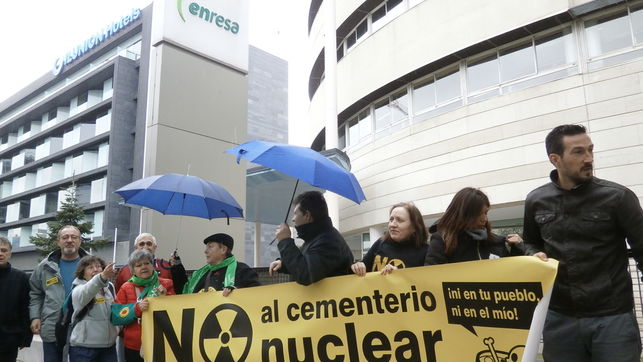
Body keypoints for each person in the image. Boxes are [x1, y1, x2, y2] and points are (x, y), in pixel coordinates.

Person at [523, 124, 643, 362]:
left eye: (590, 150)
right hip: (560, 319)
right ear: (555, 159)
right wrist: (534, 254)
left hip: (613, 319)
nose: (588, 158)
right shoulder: (536, 200)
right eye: (578, 152)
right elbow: (531, 242)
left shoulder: (618, 197)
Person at [29, 225, 89, 362]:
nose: (69, 240)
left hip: (84, 327)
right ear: (58, 241)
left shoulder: (92, 265)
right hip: (52, 326)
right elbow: (36, 293)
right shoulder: (45, 267)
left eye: (74, 237)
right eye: (65, 237)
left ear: (80, 241)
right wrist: (35, 317)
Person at [269, 191, 354, 285]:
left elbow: (306, 274)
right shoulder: (315, 237)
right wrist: (284, 264)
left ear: (307, 215)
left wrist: (285, 241)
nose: (293, 219)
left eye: (295, 214)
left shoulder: (327, 241)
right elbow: (307, 263)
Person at [425, 187, 524, 265]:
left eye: (485, 213)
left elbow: (511, 272)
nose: (484, 219)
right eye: (478, 214)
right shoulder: (442, 240)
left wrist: (518, 249)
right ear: (463, 214)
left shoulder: (495, 241)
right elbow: (434, 277)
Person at [115, 249, 175, 362]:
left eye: (147, 263)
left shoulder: (166, 284)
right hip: (134, 345)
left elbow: (176, 312)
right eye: (138, 265)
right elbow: (116, 315)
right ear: (132, 270)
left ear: (153, 265)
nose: (144, 267)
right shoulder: (126, 287)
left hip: (161, 341)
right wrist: (136, 309)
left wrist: (165, 298)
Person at [351, 202, 428, 276]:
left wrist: (400, 275)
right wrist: (357, 266)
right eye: (391, 219)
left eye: (400, 220)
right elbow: (363, 267)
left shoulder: (425, 251)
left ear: (414, 226)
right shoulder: (380, 243)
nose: (392, 224)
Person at [68, 255, 118, 362]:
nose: (96, 269)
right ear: (82, 273)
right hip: (83, 349)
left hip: (109, 347)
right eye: (90, 267)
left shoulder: (109, 287)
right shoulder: (78, 289)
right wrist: (101, 277)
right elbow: (89, 289)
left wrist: (118, 328)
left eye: (99, 266)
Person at [183, 233, 260, 295]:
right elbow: (183, 291)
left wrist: (237, 292)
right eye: (206, 247)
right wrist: (177, 266)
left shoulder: (242, 270)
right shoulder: (201, 274)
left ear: (223, 249)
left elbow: (256, 293)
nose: (205, 251)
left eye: (210, 247)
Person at [114, 233, 187, 294]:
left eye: (149, 244)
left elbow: (180, 289)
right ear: (135, 248)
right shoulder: (124, 270)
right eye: (141, 244)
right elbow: (118, 294)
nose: (145, 247)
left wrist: (177, 267)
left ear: (155, 247)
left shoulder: (167, 266)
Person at [0, 237, 32, 362]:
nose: (0, 253)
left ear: (10, 254)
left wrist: (26, 337)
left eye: (4, 250)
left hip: (9, 340)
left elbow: (26, 309)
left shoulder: (21, 278)